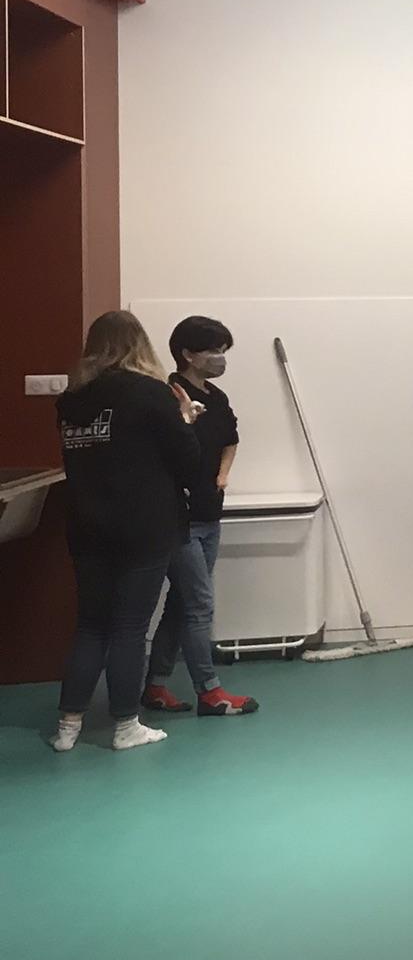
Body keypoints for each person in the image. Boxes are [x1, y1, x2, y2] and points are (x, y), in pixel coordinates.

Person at [50, 312, 209, 752]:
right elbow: (188, 463)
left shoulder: (70, 400)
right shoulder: (150, 392)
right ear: (139, 343)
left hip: (86, 527)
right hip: (143, 527)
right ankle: (125, 725)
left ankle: (67, 727)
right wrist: (185, 419)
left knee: (90, 626)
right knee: (129, 627)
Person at [141, 315, 258, 718]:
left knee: (182, 602)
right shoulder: (169, 396)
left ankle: (156, 685)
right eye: (213, 350)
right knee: (199, 603)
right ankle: (210, 692)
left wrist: (223, 475)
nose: (220, 357)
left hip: (210, 513)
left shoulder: (218, 398)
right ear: (188, 354)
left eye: (224, 350)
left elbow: (231, 439)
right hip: (180, 518)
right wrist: (185, 418)